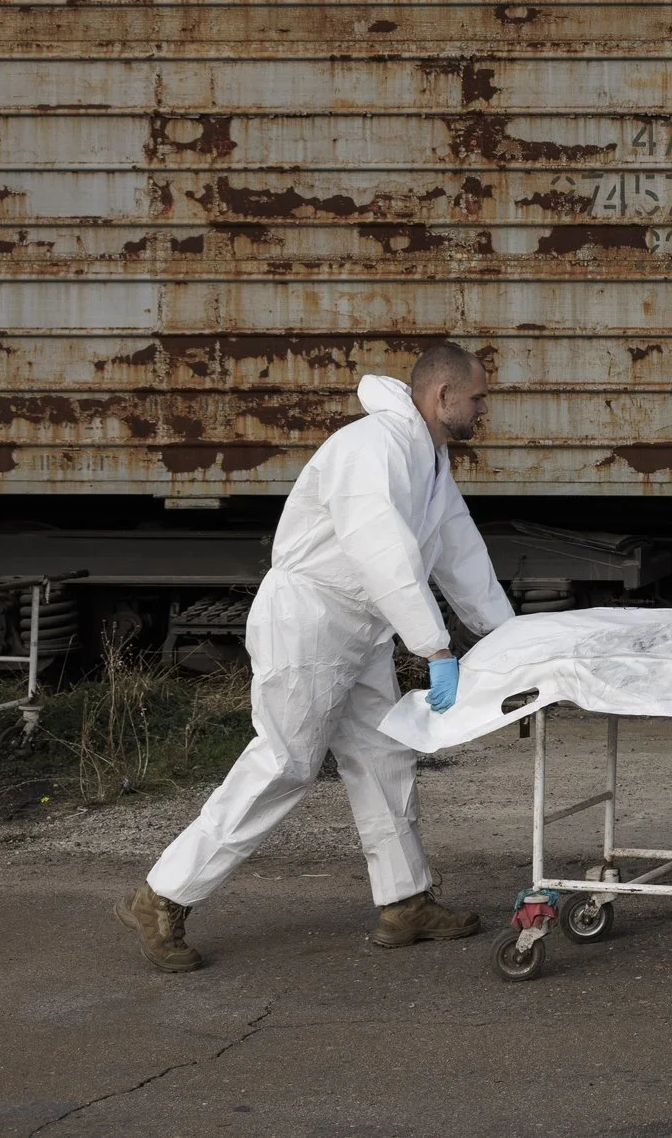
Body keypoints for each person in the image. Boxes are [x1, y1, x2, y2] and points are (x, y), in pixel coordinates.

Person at [116, 343, 513, 972]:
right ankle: (164, 895)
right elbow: (380, 551)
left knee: (384, 757)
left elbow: (459, 553)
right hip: (311, 622)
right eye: (478, 397)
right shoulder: (371, 447)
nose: (483, 409)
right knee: (285, 763)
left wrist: (509, 640)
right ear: (443, 397)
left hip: (361, 628)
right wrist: (435, 646)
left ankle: (405, 901)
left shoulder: (430, 459)